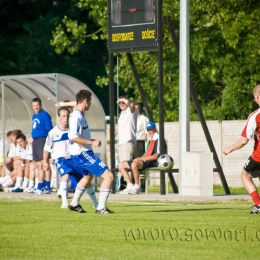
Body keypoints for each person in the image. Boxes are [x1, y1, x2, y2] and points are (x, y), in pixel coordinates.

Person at [68, 89, 114, 214]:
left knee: (88, 176)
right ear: (86, 101)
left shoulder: (77, 115)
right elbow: (73, 137)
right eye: (90, 102)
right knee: (109, 176)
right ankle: (100, 208)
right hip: (82, 154)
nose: (90, 104)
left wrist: (91, 140)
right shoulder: (77, 116)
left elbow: (77, 136)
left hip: (79, 154)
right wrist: (91, 142)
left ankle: (74, 203)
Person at [43, 106, 98, 209]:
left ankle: (95, 203)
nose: (66, 118)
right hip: (60, 159)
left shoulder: (72, 131)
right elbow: (46, 148)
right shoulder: (53, 133)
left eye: (67, 116)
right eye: (63, 116)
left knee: (86, 178)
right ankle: (64, 202)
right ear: (59, 117)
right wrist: (45, 162)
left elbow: (82, 139)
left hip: (73, 159)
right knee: (65, 175)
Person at [223, 84, 260, 214]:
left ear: (256, 97)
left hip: (259, 156)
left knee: (245, 175)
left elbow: (244, 140)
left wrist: (230, 148)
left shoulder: (255, 116)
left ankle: (258, 203)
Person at [118, 121, 160, 194]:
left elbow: (156, 156)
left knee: (134, 164)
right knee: (121, 165)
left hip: (153, 162)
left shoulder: (158, 139)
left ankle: (137, 187)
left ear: (155, 128)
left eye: (151, 129)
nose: (149, 131)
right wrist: (140, 158)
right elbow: (147, 153)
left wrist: (141, 159)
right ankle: (130, 185)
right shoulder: (150, 139)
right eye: (148, 130)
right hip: (145, 160)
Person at [30, 97, 53, 194]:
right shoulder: (34, 116)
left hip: (43, 140)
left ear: (41, 105)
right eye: (34, 106)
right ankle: (40, 185)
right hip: (36, 141)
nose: (36, 107)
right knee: (39, 165)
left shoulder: (45, 115)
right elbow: (35, 129)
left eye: (37, 105)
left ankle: (47, 186)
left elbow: (50, 130)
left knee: (45, 163)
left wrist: (50, 143)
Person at [117, 96, 138, 162]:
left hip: (128, 140)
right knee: (121, 164)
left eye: (123, 102)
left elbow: (132, 105)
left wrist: (123, 99)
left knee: (126, 163)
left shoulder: (131, 111)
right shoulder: (122, 113)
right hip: (121, 142)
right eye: (119, 103)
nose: (121, 104)